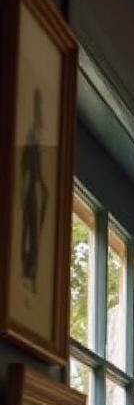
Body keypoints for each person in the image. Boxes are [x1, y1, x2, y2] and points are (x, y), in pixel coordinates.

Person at [21, 88, 49, 294]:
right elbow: (27, 165)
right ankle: (28, 271)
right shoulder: (32, 134)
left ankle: (31, 271)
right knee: (30, 230)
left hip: (35, 189)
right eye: (40, 108)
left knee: (34, 230)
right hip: (31, 189)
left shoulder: (37, 135)